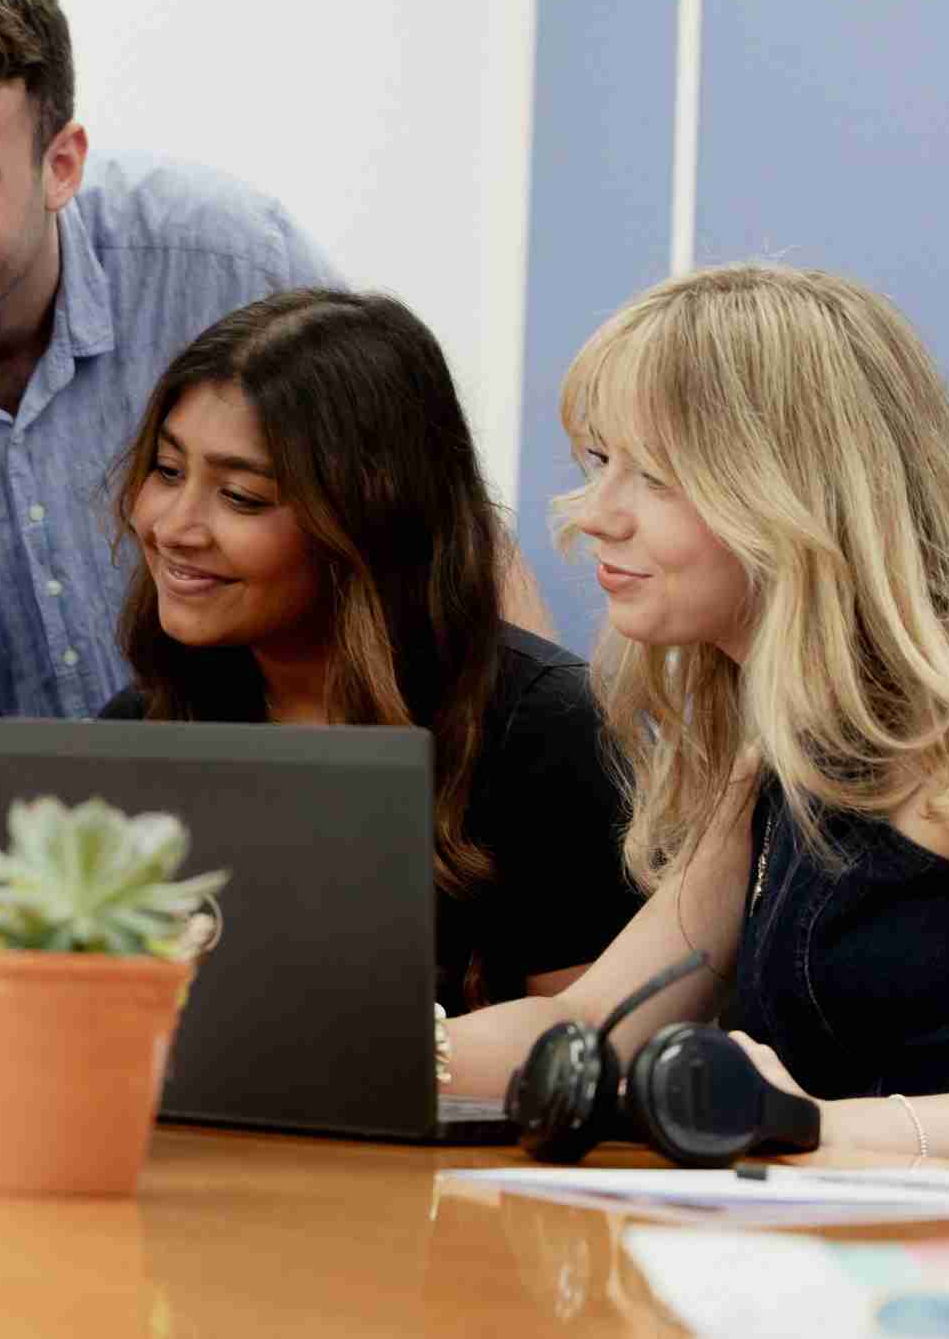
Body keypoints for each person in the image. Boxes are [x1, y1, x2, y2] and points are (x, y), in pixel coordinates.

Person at [0, 0, 556, 869]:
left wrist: (532, 799)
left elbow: (443, 539)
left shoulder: (234, 262)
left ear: (61, 163)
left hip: (292, 838)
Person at [445, 263, 949, 1171]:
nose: (592, 516)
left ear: (795, 490)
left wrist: (823, 1130)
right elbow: (592, 1024)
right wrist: (348, 1057)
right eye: (602, 464)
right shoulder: (784, 734)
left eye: (659, 476)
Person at [99, 289, 637, 1010]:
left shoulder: (546, 733)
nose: (173, 526)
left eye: (242, 497)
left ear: (369, 520)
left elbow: (588, 1068)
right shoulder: (137, 730)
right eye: (166, 472)